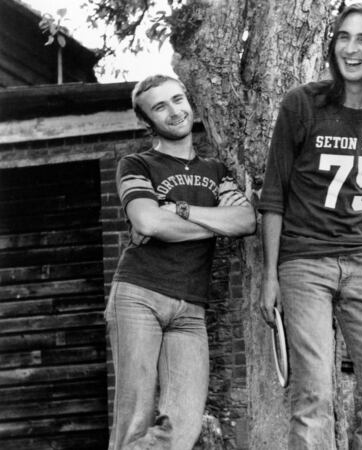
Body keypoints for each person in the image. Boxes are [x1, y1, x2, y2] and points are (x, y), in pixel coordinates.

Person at [256, 3, 362, 448]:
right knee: (313, 395)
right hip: (304, 262)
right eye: (343, 37)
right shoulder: (303, 104)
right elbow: (273, 196)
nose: (351, 47)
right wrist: (270, 278)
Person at [108, 74, 256, 450]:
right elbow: (148, 221)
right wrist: (214, 223)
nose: (174, 111)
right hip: (139, 296)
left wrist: (183, 211)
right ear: (147, 121)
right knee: (135, 419)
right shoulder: (136, 164)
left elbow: (247, 221)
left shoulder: (216, 171)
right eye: (160, 106)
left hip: (191, 307)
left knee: (182, 427)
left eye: (178, 99)